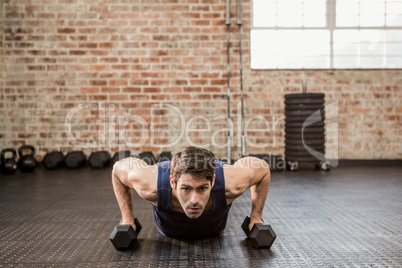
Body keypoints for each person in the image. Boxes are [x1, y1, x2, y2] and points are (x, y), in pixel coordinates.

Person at [111, 146, 271, 238]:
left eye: (202, 188)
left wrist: (256, 218)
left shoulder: (232, 184)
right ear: (173, 182)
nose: (194, 200)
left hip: (214, 232)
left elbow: (262, 168)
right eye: (186, 189)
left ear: (213, 181)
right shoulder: (152, 186)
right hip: (168, 232)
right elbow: (118, 170)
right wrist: (127, 218)